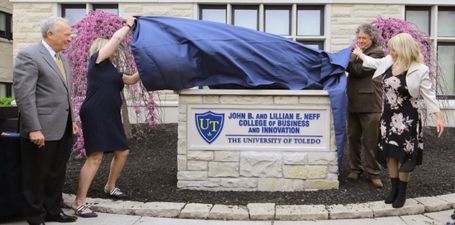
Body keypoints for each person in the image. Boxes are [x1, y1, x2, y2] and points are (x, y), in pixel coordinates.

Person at [353, 32, 444, 208]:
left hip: (407, 118)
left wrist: (438, 117)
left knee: (404, 156)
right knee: (390, 154)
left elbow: (429, 95)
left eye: (394, 49)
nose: (391, 52)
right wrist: (360, 53)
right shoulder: (389, 61)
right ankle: (393, 189)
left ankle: (402, 192)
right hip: (388, 117)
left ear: (403, 49)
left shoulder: (420, 69)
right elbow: (374, 62)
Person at [71, 17, 140, 218]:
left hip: (110, 115)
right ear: (103, 48)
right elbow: (116, 40)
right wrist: (127, 26)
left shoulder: (112, 70)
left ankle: (110, 186)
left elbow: (131, 80)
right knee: (95, 156)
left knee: (123, 151)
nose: (116, 51)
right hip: (95, 112)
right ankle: (79, 202)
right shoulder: (96, 61)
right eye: (112, 48)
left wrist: (147, 64)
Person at [13, 17, 79, 225]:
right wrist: (33, 128)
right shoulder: (29, 56)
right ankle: (35, 216)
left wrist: (72, 120)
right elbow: (25, 96)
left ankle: (53, 211)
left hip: (62, 128)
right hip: (40, 129)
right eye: (67, 34)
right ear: (50, 34)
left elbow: (64, 94)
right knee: (36, 176)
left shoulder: (62, 59)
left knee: (56, 173)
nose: (71, 38)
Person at [346, 24, 385, 188]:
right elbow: (352, 66)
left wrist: (348, 60)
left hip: (370, 104)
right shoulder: (357, 52)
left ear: (372, 39)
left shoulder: (377, 53)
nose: (360, 41)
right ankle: (355, 169)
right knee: (353, 138)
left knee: (370, 141)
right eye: (359, 37)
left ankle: (374, 173)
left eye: (364, 38)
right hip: (353, 101)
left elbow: (359, 71)